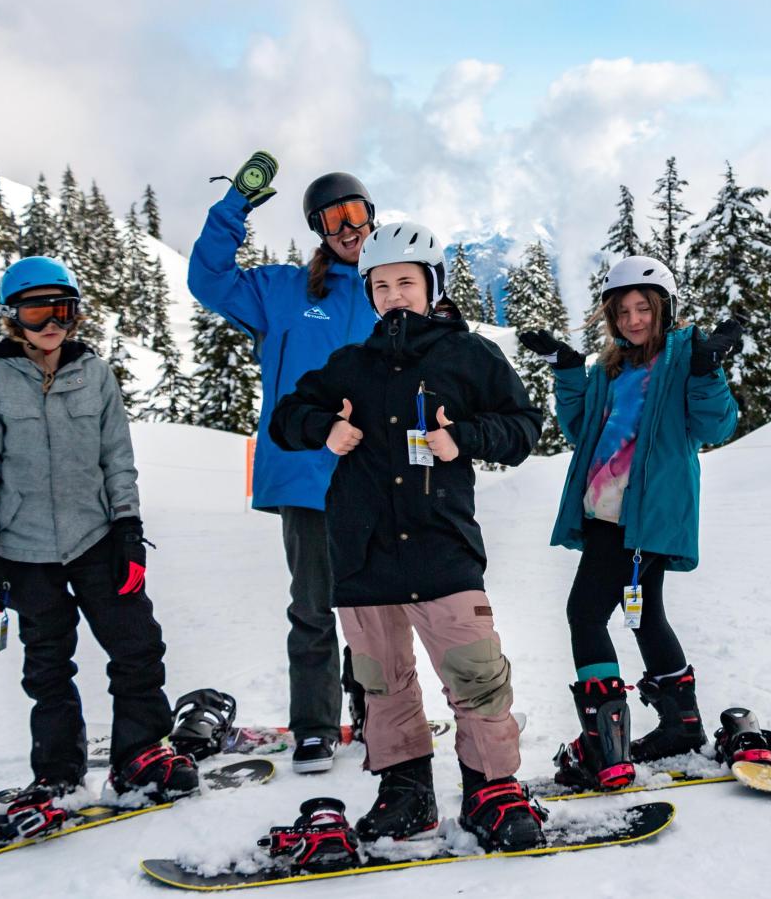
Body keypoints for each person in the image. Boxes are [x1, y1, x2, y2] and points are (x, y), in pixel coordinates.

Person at [269, 220, 546, 852]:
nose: (394, 294)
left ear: (431, 288)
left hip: (442, 547)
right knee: (382, 684)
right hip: (363, 556)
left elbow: (524, 427)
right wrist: (322, 429)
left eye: (407, 282)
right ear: (369, 292)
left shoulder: (468, 354)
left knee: (477, 676)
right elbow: (287, 417)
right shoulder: (349, 364)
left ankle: (493, 791)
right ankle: (405, 791)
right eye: (382, 284)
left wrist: (465, 438)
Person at [0, 256, 196, 839]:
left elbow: (118, 458)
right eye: (36, 309)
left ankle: (139, 753)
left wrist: (128, 529)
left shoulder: (96, 374)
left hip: (96, 537)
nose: (50, 322)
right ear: (12, 316)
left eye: (61, 308)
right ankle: (59, 776)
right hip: (24, 547)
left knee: (138, 645)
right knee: (47, 664)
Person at [517, 257, 740, 791]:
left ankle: (607, 746)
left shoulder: (684, 358)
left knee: (585, 614)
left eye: (644, 308)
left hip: (645, 515)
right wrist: (568, 368)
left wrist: (708, 371)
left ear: (663, 309)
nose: (634, 320)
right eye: (623, 311)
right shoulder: (610, 370)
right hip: (604, 512)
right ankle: (681, 725)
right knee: (644, 616)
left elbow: (716, 425)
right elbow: (580, 430)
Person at [188, 154, 379, 773]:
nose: (348, 229)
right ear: (318, 229)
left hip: (377, 476)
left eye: (357, 214)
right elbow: (208, 280)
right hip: (304, 476)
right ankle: (317, 728)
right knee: (314, 608)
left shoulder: (395, 292)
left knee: (377, 609)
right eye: (333, 220)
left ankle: (379, 715)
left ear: (373, 217)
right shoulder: (282, 291)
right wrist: (233, 208)